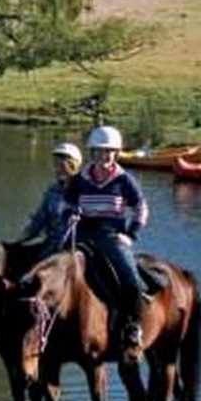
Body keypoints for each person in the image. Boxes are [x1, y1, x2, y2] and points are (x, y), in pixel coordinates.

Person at [63, 125, 149, 362]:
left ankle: (133, 329)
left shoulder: (124, 180)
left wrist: (131, 234)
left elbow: (141, 208)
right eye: (101, 151)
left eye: (110, 151)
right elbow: (68, 204)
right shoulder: (80, 179)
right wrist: (70, 215)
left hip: (111, 235)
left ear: (116, 153)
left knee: (131, 281)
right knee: (50, 263)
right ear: (93, 153)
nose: (106, 156)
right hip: (82, 233)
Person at [17, 142, 83, 258]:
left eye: (62, 165)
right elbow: (39, 220)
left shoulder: (85, 190)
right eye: (56, 165)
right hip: (50, 245)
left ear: (74, 166)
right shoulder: (53, 190)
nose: (58, 169)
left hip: (73, 250)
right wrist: (20, 241)